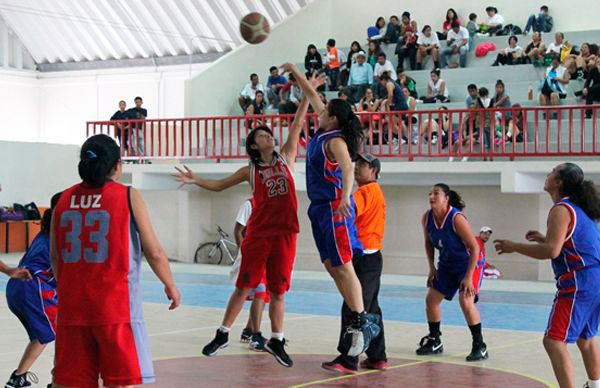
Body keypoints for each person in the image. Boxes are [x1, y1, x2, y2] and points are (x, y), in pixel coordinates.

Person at [175, 74, 322, 368]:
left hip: (285, 234)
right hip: (258, 234)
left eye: (269, 134)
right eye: (262, 135)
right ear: (254, 146)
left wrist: (307, 94)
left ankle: (277, 340)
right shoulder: (249, 171)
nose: (269, 136)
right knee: (244, 287)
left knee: (278, 291)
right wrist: (195, 180)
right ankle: (223, 333)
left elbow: (296, 124)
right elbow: (219, 186)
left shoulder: (287, 158)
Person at [51, 134, 181, 386]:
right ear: (117, 166)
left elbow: (55, 257)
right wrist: (170, 284)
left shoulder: (63, 200)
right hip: (115, 308)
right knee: (118, 381)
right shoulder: (127, 195)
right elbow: (153, 250)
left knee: (71, 382)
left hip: (72, 310)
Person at [282, 62, 381, 358]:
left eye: (324, 112)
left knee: (344, 265)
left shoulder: (335, 140)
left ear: (333, 118)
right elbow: (312, 95)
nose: (319, 112)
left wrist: (345, 198)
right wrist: (297, 74)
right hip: (319, 210)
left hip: (333, 208)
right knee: (331, 266)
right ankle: (358, 315)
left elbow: (349, 168)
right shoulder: (323, 134)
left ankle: (363, 321)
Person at [493, 163, 600, 388]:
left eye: (552, 172)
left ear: (559, 182)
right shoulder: (578, 208)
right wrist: (545, 238)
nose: (548, 174)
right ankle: (595, 385)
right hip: (594, 278)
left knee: (553, 341)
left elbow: (552, 251)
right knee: (585, 338)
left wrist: (514, 246)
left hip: (580, 281)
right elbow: (574, 244)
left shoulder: (562, 209)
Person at [322, 154, 387, 374]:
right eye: (356, 164)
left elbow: (347, 209)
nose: (358, 167)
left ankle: (348, 360)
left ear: (374, 172)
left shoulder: (366, 192)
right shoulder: (374, 192)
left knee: (353, 305)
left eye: (363, 165)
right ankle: (378, 357)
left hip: (364, 257)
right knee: (372, 307)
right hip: (373, 257)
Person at [417, 183, 488, 362]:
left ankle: (480, 345)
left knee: (465, 301)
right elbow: (428, 243)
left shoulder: (456, 218)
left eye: (436, 193)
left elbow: (474, 247)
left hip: (469, 264)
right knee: (431, 300)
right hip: (447, 265)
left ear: (446, 198)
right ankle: (435, 340)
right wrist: (432, 267)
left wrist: (468, 277)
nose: (432, 196)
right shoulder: (427, 218)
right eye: (430, 193)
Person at [4, 195, 58, 388]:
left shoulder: (44, 232)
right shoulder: (57, 238)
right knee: (56, 333)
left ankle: (18, 377)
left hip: (15, 287)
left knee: (42, 334)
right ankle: (57, 381)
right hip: (33, 288)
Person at [228, 199, 269, 351]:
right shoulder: (249, 204)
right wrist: (246, 252)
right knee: (259, 292)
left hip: (265, 255)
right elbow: (238, 231)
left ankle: (248, 331)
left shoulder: (271, 204)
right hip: (250, 256)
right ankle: (254, 335)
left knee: (264, 296)